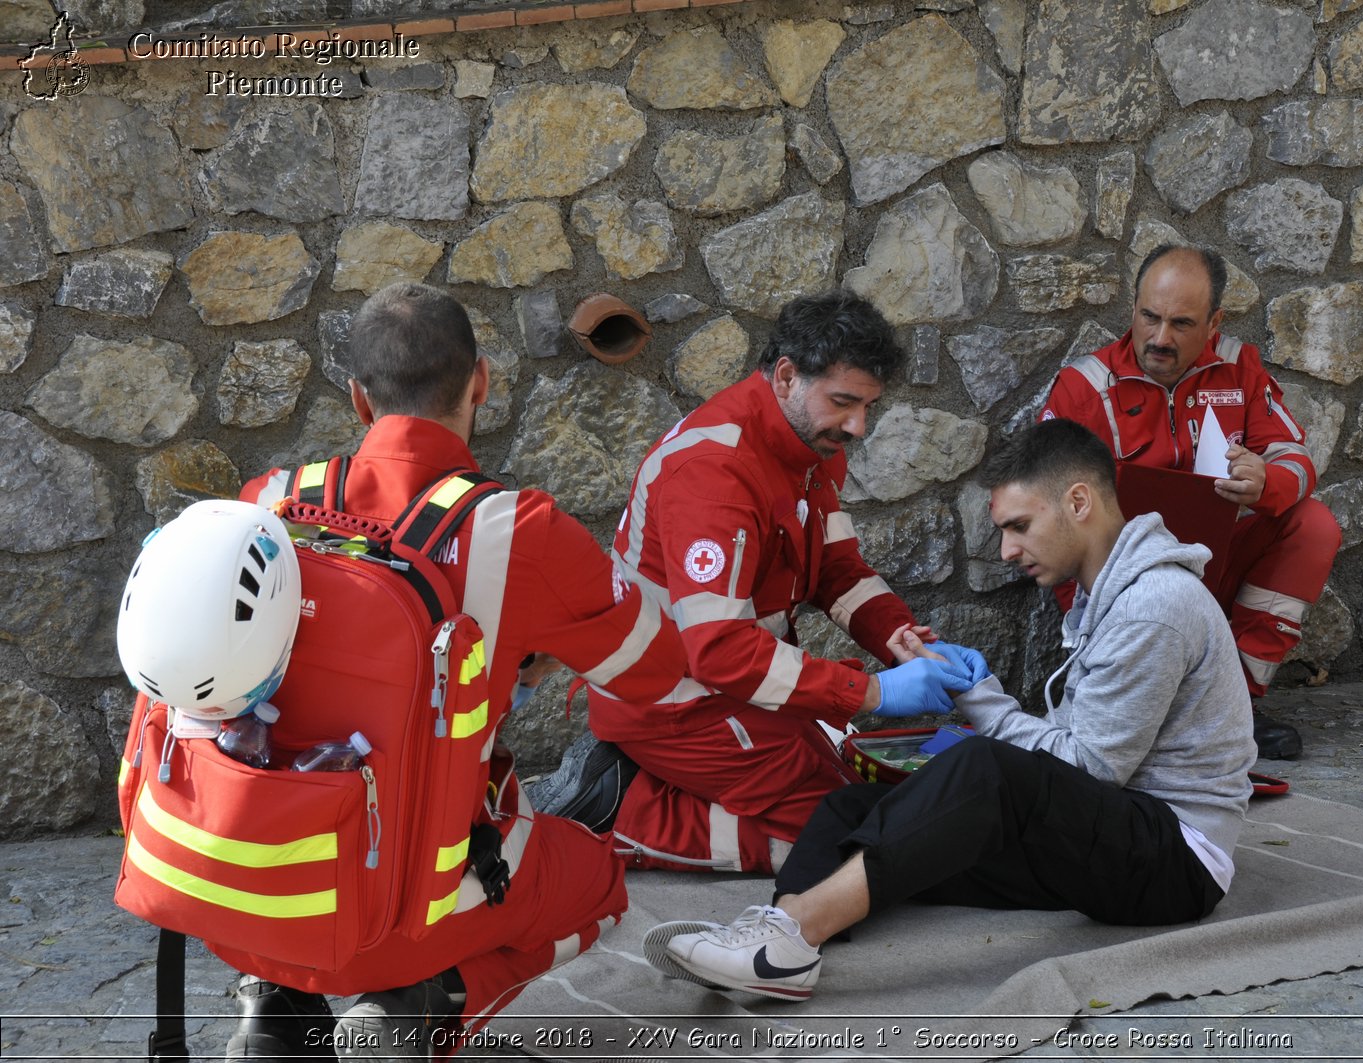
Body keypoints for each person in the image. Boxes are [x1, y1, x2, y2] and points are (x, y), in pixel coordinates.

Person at [222, 282, 686, 1058]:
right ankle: (426, 999)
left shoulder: (267, 502)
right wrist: (534, 649)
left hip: (256, 877)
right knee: (597, 878)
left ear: (359, 400)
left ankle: (278, 1003)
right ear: (481, 382)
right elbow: (656, 666)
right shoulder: (519, 532)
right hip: (412, 891)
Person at [641, 418, 1255, 1000]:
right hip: (1113, 829)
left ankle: (797, 930)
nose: (1008, 549)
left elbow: (1088, 770)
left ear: (1077, 503)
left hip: (1175, 859)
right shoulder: (1108, 595)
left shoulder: (1154, 605)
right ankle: (776, 942)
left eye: (1018, 525)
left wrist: (977, 699)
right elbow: (1072, 764)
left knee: (982, 771)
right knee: (850, 805)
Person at [532, 290, 961, 875]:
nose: (859, 426)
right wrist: (875, 694)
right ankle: (621, 811)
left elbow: (837, 572)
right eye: (844, 402)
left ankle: (649, 788)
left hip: (727, 685)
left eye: (868, 406)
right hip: (669, 701)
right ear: (786, 376)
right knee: (852, 833)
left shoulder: (806, 441)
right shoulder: (715, 473)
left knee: (865, 798)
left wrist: (904, 641)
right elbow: (720, 650)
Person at [1038, 244, 1342, 759]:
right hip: (1124, 589)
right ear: (1132, 308)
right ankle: (1134, 701)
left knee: (1314, 525)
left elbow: (1296, 456)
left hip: (1216, 567)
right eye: (1149, 317)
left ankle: (1234, 706)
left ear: (1214, 322)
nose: (1159, 339)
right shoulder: (1082, 388)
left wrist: (1266, 479)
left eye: (1181, 324)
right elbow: (1048, 516)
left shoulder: (1238, 368)